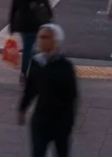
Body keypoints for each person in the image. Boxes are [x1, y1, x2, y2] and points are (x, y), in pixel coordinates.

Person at [18, 24, 78, 157]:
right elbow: (30, 89)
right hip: (40, 119)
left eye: (45, 37)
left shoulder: (65, 66)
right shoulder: (37, 62)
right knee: (38, 153)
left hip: (60, 122)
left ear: (55, 40)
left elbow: (72, 95)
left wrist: (70, 122)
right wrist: (22, 108)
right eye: (40, 37)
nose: (40, 40)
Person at [10, 0, 53, 82]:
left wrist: (12, 24)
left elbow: (14, 7)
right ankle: (30, 71)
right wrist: (49, 17)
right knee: (31, 48)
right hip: (36, 22)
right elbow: (46, 3)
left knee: (27, 48)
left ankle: (24, 73)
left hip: (23, 22)